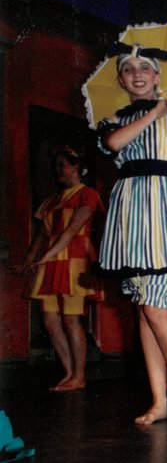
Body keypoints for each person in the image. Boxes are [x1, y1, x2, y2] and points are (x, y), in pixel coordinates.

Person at [95, 43, 167, 424]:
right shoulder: (114, 120)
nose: (138, 74)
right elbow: (114, 144)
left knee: (155, 304)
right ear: (121, 79)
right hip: (131, 214)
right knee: (145, 309)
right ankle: (160, 400)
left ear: (158, 76)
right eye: (129, 69)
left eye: (145, 67)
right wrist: (156, 111)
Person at [17, 146, 104, 391]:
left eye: (62, 165)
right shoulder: (52, 201)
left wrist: (47, 255)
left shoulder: (87, 194)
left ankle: (79, 375)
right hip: (52, 261)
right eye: (56, 166)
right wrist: (30, 258)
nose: (58, 171)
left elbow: (72, 230)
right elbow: (42, 234)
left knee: (70, 320)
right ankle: (68, 374)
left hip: (75, 260)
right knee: (51, 322)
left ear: (76, 167)